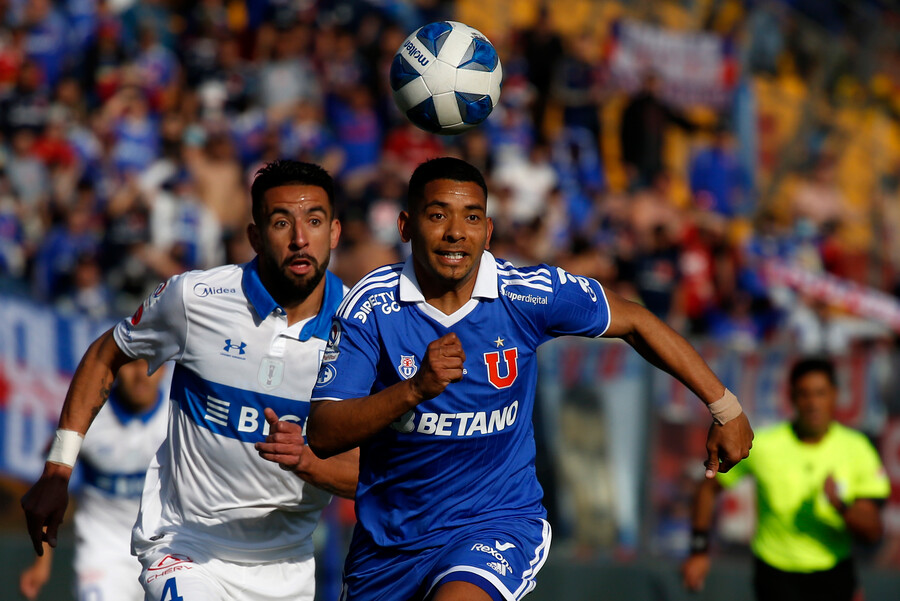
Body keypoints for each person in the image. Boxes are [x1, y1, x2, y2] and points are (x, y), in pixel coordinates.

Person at [306, 157, 754, 601]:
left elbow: (637, 322)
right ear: (406, 226)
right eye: (438, 215)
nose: (456, 232)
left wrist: (725, 407)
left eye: (472, 217)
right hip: (390, 545)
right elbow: (324, 433)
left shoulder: (524, 292)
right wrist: (413, 390)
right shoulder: (370, 306)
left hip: (495, 525)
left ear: (489, 231)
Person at [22, 159, 359, 601]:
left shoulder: (361, 329)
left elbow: (372, 474)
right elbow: (107, 354)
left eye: (314, 221)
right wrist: (58, 468)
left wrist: (307, 461)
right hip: (185, 546)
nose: (300, 239)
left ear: (334, 232)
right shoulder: (195, 299)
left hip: (286, 567)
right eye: (282, 222)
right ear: (255, 236)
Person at [681, 356, 890, 601]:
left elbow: (873, 530)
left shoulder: (857, 448)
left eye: (820, 393)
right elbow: (708, 487)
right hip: (775, 574)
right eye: (805, 394)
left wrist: (840, 505)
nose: (813, 403)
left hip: (833, 572)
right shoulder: (765, 444)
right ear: (791, 397)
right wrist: (699, 550)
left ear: (835, 395)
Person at [19, 359, 169, 601]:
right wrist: (41, 563)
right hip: (102, 552)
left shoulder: (180, 418)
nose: (142, 374)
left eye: (150, 364)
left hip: (166, 549)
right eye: (132, 364)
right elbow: (47, 487)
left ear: (164, 368)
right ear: (117, 365)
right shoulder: (86, 415)